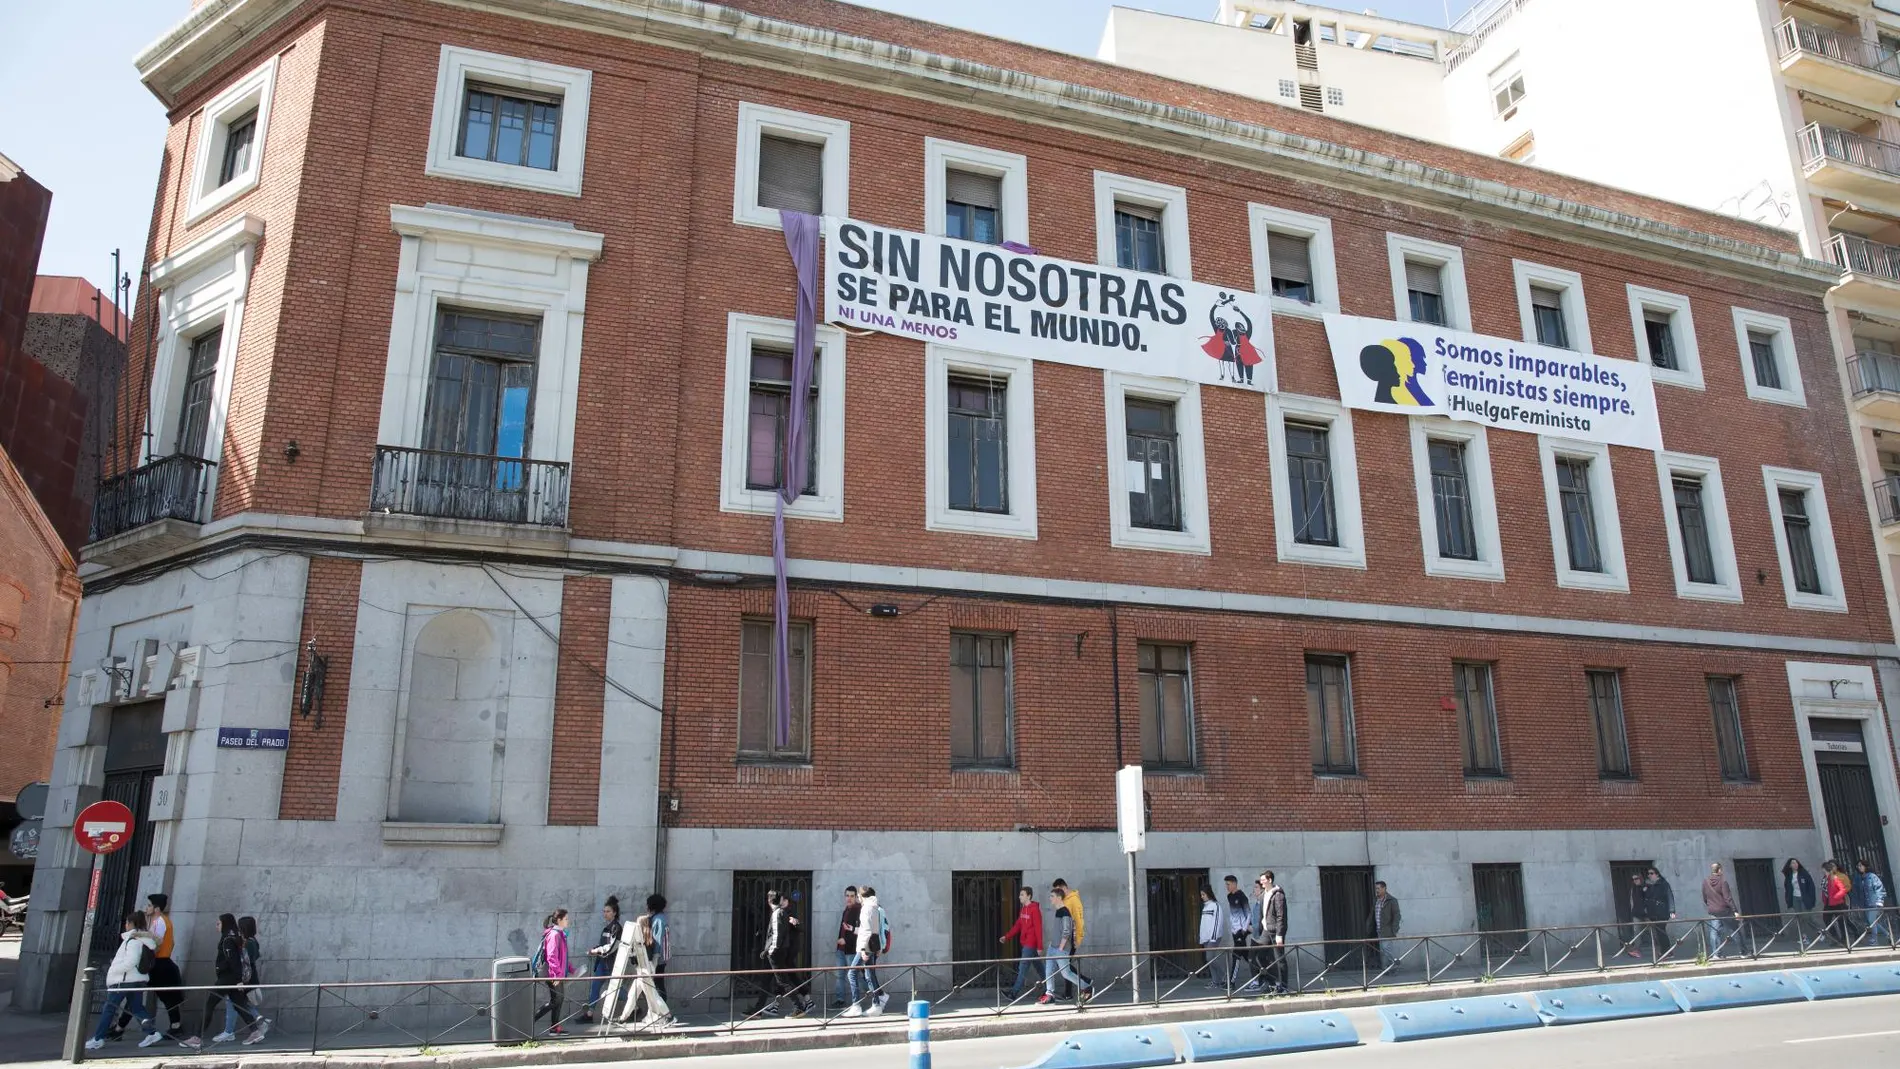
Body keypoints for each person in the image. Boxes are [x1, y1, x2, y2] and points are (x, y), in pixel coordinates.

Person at [179, 914, 265, 1048]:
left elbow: (234, 962)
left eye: (218, 924)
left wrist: (238, 980)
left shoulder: (228, 940)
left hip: (227, 979)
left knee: (209, 1004)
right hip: (231, 979)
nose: (216, 926)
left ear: (225, 924)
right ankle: (255, 1031)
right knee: (239, 1005)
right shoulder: (232, 938)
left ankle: (196, 1037)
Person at [86, 912, 165, 1050]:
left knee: (109, 1008)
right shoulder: (145, 942)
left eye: (127, 923)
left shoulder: (133, 941)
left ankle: (98, 1038)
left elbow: (130, 961)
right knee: (137, 1008)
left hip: (124, 980)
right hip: (138, 979)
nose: (125, 925)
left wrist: (114, 969)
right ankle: (152, 1033)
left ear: (131, 924)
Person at [118, 893, 184, 1040]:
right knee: (165, 997)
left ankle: (120, 1027)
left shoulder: (160, 922)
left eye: (149, 905)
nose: (146, 908)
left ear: (156, 908)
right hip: (159, 963)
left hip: (158, 963)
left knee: (142, 994)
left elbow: (155, 945)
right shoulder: (159, 922)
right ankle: (175, 1026)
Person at [623, 898, 673, 1029]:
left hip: (655, 960)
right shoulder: (660, 918)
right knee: (650, 988)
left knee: (656, 988)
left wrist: (654, 961)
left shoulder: (658, 920)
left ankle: (664, 1016)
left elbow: (656, 941)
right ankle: (654, 1015)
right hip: (658, 959)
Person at [1040, 888, 1091, 1004]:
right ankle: (1049, 994)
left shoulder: (1065, 912)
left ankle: (1087, 987)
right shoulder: (1058, 911)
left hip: (1060, 949)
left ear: (1058, 898)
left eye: (1052, 896)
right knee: (1048, 972)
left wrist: (1060, 948)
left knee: (1066, 973)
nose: (1050, 898)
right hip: (1052, 947)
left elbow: (1067, 931)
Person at [845, 886, 888, 1017]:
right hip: (871, 945)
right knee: (869, 975)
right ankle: (876, 1005)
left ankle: (856, 1005)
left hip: (865, 947)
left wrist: (863, 949)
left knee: (852, 973)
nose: (858, 898)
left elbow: (868, 931)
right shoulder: (875, 907)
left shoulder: (867, 908)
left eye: (858, 896)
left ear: (862, 896)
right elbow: (873, 929)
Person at [580, 897, 623, 1023]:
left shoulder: (616, 928)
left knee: (616, 989)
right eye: (604, 911)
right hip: (602, 963)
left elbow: (611, 947)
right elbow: (603, 944)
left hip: (611, 964)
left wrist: (597, 950)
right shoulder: (608, 927)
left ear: (614, 913)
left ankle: (634, 1005)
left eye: (608, 911)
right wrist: (594, 949)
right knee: (595, 987)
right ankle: (589, 1014)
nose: (605, 913)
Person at [224, 916, 267, 1042]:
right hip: (249, 976)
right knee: (237, 1002)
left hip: (246, 978)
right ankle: (229, 1030)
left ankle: (258, 1022)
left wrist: (240, 980)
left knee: (237, 1002)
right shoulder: (253, 941)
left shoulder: (248, 943)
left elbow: (245, 961)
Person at [999, 885, 1043, 1000]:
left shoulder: (1035, 910)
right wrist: (1007, 937)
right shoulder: (1023, 909)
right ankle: (1050, 989)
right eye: (1020, 895)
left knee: (1022, 968)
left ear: (1029, 896)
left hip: (1030, 944)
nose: (1019, 897)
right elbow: (1018, 925)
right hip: (1026, 943)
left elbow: (1038, 928)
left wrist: (1039, 946)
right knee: (1040, 968)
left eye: (1022, 895)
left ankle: (1013, 993)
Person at [531, 909, 571, 1035]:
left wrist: (571, 969)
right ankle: (529, 1021)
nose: (568, 921)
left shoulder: (560, 934)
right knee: (556, 1000)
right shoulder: (554, 935)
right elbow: (552, 956)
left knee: (559, 999)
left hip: (557, 974)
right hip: (553, 974)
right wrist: (556, 975)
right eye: (566, 919)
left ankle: (554, 1028)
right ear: (559, 920)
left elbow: (562, 956)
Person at [1051, 879, 1091, 998]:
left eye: (1058, 891)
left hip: (1071, 939)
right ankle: (1070, 992)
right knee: (1065, 966)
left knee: (1064, 966)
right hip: (1064, 939)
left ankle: (1085, 983)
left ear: (1064, 888)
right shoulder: (1064, 901)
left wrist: (1078, 939)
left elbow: (1079, 920)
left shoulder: (1073, 900)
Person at [1222, 875, 1257, 990]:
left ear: (1234, 884)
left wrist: (1244, 929)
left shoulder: (1242, 897)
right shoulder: (1229, 897)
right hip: (1234, 930)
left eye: (1228, 884)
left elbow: (1248, 913)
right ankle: (1263, 974)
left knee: (1236, 955)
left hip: (1241, 931)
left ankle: (1231, 982)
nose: (1226, 886)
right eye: (1226, 884)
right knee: (1246, 955)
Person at [1257, 872, 1288, 995]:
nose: (1261, 882)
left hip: (1276, 930)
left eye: (1263, 880)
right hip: (1266, 929)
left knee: (1280, 958)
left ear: (1269, 880)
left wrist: (1280, 934)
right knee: (1260, 955)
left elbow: (1281, 916)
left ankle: (1284, 986)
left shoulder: (1278, 894)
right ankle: (1272, 983)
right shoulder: (1263, 895)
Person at [832, 886, 860, 1008]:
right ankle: (840, 1000)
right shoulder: (846, 910)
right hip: (841, 949)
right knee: (840, 975)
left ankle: (877, 994)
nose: (849, 898)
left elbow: (860, 932)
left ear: (856, 897)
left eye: (852, 896)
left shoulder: (858, 910)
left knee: (856, 976)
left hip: (851, 949)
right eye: (847, 896)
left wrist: (845, 940)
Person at [1701, 863, 1736, 959]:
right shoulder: (1723, 881)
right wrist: (1735, 910)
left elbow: (1704, 897)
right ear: (1719, 870)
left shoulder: (1705, 881)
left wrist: (1710, 905)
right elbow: (1728, 898)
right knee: (1735, 930)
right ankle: (1744, 952)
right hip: (1724, 910)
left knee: (1714, 932)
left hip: (1713, 910)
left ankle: (1716, 954)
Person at [1640, 867, 1676, 960]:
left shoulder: (1663, 884)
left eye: (1651, 873)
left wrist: (1672, 910)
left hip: (1662, 911)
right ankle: (1666, 951)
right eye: (1648, 874)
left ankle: (1667, 952)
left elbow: (1669, 896)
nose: (1649, 875)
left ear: (1657, 874)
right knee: (1659, 933)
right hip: (1653, 912)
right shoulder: (1650, 885)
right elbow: (1647, 898)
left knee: (1661, 932)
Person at [1369, 881, 1401, 969]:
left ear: (1384, 888)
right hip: (1379, 930)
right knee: (1384, 950)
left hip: (1387, 930)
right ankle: (1388, 968)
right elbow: (1373, 915)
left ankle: (1393, 967)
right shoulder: (1376, 900)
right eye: (1376, 888)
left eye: (1378, 888)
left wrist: (1394, 930)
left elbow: (1397, 916)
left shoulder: (1392, 900)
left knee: (1387, 949)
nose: (1377, 890)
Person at [1855, 860, 1888, 944]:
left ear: (1866, 866)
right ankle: (1888, 934)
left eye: (1860, 865)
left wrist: (1880, 900)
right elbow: (1858, 892)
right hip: (1865, 904)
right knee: (1872, 922)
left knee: (1871, 921)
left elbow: (1879, 888)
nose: (1859, 867)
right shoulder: (1859, 877)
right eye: (1858, 866)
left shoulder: (1872, 876)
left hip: (1874, 902)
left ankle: (1874, 940)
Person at [1821, 860, 1853, 946]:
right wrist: (1824, 899)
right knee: (1826, 919)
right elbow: (1824, 890)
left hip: (1838, 903)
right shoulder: (1825, 879)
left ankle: (1844, 939)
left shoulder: (1834, 878)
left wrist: (1836, 897)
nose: (1823, 872)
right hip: (1828, 903)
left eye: (1824, 870)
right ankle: (1835, 937)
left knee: (1841, 921)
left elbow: (1842, 890)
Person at [1196, 886, 1221, 987]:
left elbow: (1217, 922)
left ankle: (1224, 976)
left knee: (1210, 958)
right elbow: (1204, 923)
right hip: (1206, 938)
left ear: (1208, 894)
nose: (1202, 897)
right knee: (1210, 960)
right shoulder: (1205, 906)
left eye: (1203, 894)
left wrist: (1213, 937)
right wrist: (1202, 936)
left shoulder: (1215, 906)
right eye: (1201, 895)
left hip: (1213, 937)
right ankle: (1216, 981)